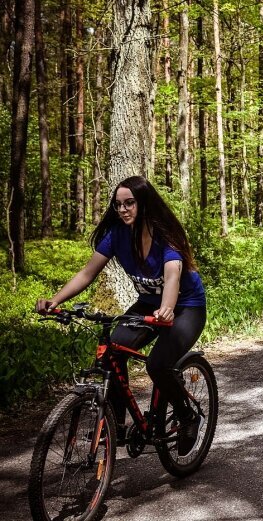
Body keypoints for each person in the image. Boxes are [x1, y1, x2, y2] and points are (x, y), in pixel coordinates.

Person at [36, 176, 207, 456]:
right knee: (110, 353)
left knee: (158, 364)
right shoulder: (117, 234)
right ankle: (113, 424)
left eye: (129, 203)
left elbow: (173, 273)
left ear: (143, 204)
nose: (123, 209)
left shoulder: (165, 234)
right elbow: (87, 273)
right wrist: (55, 300)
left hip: (186, 306)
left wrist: (166, 308)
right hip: (148, 304)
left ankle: (187, 415)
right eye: (118, 205)